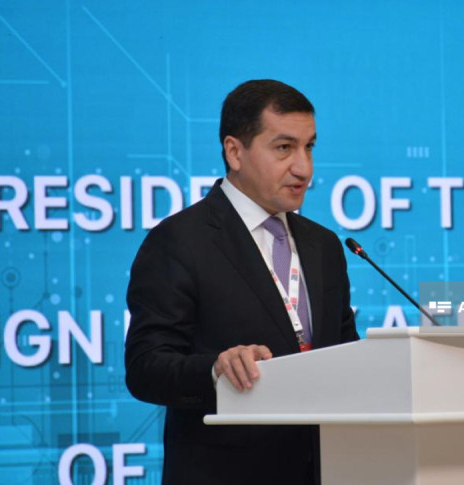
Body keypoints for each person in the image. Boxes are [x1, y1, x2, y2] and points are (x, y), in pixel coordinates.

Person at [124, 79, 359, 485]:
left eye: (309, 147)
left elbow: (344, 354)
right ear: (235, 152)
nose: (303, 168)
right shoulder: (179, 241)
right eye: (284, 148)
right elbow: (146, 368)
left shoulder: (324, 245)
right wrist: (215, 369)